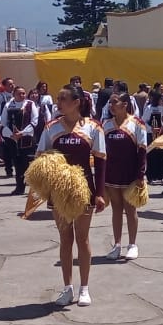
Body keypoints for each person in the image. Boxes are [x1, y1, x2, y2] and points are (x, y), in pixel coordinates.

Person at [36, 84, 107, 306]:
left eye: (63, 99)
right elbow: (41, 157)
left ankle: (84, 288)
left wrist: (99, 193)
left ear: (76, 102)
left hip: (83, 189)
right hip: (59, 191)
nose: (58, 103)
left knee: (82, 238)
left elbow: (102, 162)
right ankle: (67, 288)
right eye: (57, 98)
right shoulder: (51, 127)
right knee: (65, 238)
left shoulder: (93, 127)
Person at [102, 92, 147, 260]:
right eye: (110, 103)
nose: (111, 106)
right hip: (112, 174)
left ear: (125, 104)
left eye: (115, 102)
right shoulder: (106, 125)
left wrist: (140, 175)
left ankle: (132, 244)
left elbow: (142, 150)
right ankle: (117, 245)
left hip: (130, 174)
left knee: (130, 209)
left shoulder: (137, 123)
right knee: (116, 209)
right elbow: (101, 151)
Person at [0, 86, 39, 196]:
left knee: (28, 163)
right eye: (19, 94)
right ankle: (19, 187)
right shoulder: (8, 105)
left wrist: (22, 133)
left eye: (23, 93)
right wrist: (12, 135)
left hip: (27, 139)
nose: (22, 95)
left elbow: (34, 121)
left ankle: (34, 187)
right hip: (13, 140)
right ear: (14, 95)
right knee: (18, 164)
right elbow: (3, 122)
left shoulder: (30, 104)